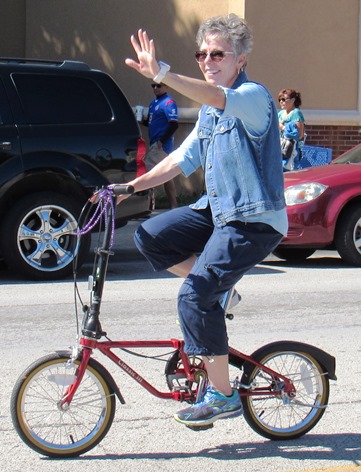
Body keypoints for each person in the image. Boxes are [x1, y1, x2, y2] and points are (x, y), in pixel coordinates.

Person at [117, 14, 287, 428]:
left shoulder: (252, 97)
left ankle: (223, 394)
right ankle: (220, 294)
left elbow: (214, 95)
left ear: (240, 59)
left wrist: (162, 73)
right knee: (150, 235)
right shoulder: (211, 115)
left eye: (217, 53)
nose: (208, 60)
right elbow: (181, 159)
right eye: (202, 54)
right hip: (217, 213)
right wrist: (129, 188)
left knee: (193, 296)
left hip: (253, 221)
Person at [143, 82, 179, 208]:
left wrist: (161, 141)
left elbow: (174, 124)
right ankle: (174, 206)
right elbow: (151, 122)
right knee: (167, 175)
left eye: (159, 85)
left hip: (161, 145)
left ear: (166, 86)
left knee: (146, 173)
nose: (155, 88)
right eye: (153, 85)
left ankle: (144, 205)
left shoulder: (168, 102)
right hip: (155, 142)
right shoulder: (153, 103)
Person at [278, 89, 305, 171]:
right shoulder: (280, 113)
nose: (281, 102)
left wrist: (282, 127)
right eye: (279, 100)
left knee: (289, 173)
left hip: (291, 150)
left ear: (293, 100)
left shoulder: (296, 113)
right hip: (279, 148)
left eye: (283, 99)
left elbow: (299, 135)